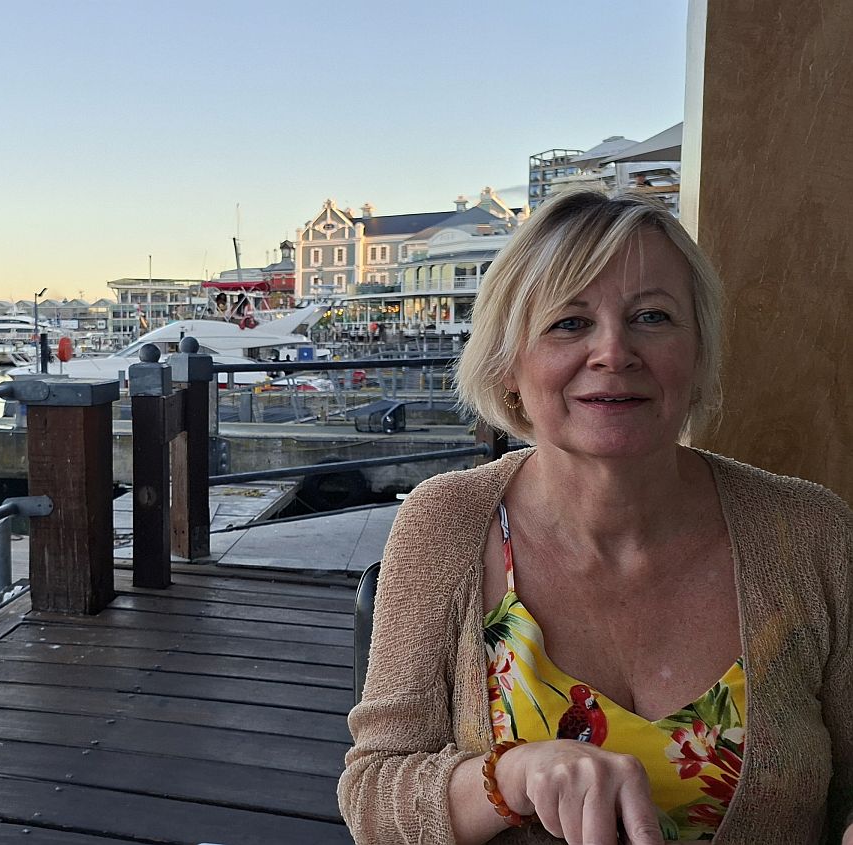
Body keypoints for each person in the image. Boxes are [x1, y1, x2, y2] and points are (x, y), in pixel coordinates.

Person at [337, 189, 853, 844]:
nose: (613, 352)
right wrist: (510, 776)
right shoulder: (447, 522)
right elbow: (374, 793)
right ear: (509, 365)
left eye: (652, 317)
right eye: (570, 323)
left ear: (698, 354)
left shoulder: (812, 531)